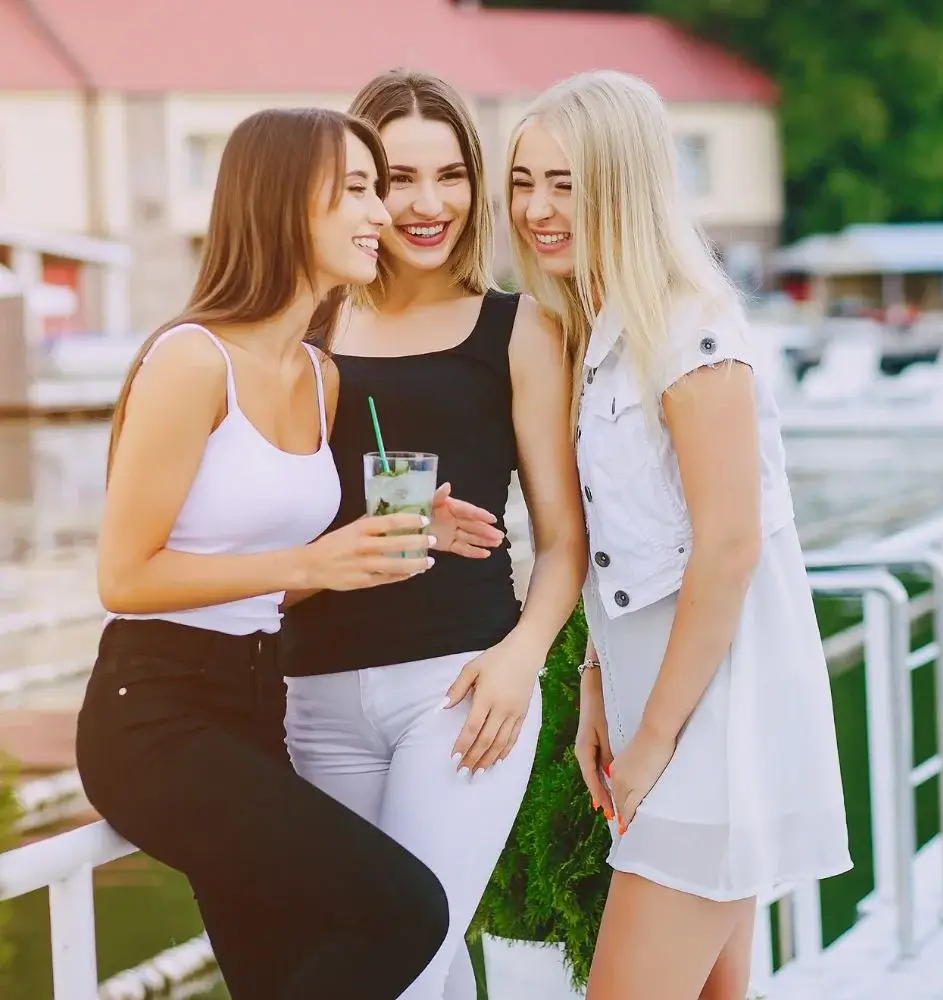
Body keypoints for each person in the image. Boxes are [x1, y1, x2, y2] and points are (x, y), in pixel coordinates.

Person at [74, 107, 499, 1000]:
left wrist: (392, 539)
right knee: (406, 915)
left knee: (278, 977)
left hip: (258, 705)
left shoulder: (320, 375)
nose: (381, 213)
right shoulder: (191, 361)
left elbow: (273, 581)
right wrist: (308, 564)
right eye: (356, 189)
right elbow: (124, 577)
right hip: (153, 717)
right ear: (279, 205)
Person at [505, 71, 852, 1000]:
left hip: (713, 719)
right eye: (524, 180)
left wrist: (653, 740)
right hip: (653, 705)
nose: (537, 208)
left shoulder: (690, 330)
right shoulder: (601, 327)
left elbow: (730, 546)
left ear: (623, 185)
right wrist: (595, 691)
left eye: (566, 184)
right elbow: (623, 552)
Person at [282, 70, 587, 1000]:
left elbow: (564, 540)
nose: (426, 204)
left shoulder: (520, 328)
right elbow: (264, 537)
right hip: (313, 697)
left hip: (459, 692)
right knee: (430, 967)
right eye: (396, 177)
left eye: (450, 176)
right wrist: (368, 537)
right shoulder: (306, 325)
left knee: (392, 961)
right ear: (355, 187)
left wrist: (520, 658)